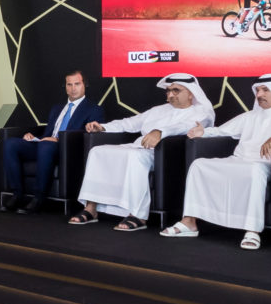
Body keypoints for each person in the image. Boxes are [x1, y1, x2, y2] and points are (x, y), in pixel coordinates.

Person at [162, 75, 271, 249]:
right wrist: (203, 132)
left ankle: (252, 231)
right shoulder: (251, 116)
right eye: (258, 90)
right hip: (239, 160)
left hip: (264, 164)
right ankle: (189, 222)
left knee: (254, 171)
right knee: (199, 165)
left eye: (265, 90)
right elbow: (223, 130)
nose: (259, 94)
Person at [71, 72, 216, 231]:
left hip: (166, 153)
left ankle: (138, 215)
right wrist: (103, 127)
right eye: (168, 91)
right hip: (140, 147)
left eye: (176, 90)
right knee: (98, 151)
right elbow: (131, 123)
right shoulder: (159, 110)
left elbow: (185, 127)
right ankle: (91, 208)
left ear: (191, 93)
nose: (170, 95)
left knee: (135, 157)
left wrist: (160, 132)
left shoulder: (201, 112)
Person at [0, 70, 105, 214]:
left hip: (67, 150)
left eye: (77, 84)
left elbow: (91, 135)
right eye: (69, 84)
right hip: (45, 145)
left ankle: (39, 197)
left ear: (84, 85)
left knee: (46, 145)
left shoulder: (94, 109)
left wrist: (57, 139)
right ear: (65, 87)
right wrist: (34, 136)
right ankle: (17, 194)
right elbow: (48, 132)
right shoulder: (57, 108)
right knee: (11, 144)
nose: (73, 88)